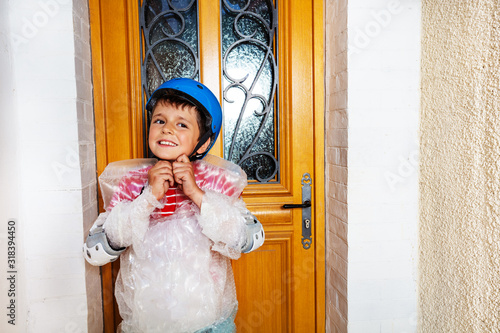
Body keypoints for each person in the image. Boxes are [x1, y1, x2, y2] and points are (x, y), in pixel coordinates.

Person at [83, 78, 264, 333]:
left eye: (181, 124)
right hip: (146, 324)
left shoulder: (216, 180)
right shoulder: (130, 182)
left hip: (208, 323)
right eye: (160, 120)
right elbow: (97, 251)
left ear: (201, 143)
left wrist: (197, 194)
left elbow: (248, 238)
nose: (167, 129)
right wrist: (147, 198)